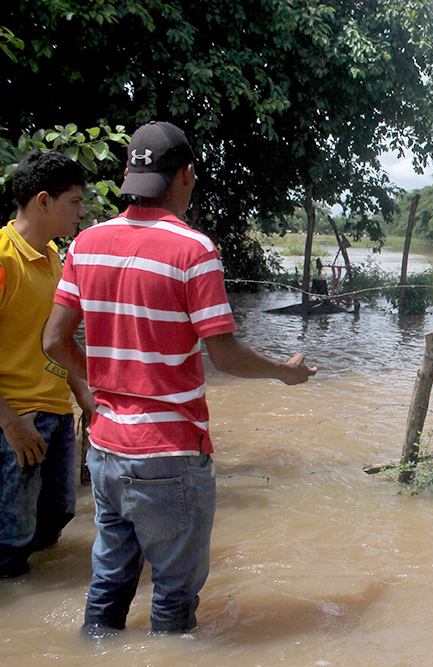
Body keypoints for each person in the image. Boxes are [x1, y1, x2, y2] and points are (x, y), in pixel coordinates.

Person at [43, 121, 317, 635]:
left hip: (105, 447)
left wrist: (105, 385)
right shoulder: (193, 250)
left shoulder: (84, 244)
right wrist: (285, 373)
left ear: (130, 176)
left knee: (109, 582)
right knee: (173, 594)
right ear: (186, 175)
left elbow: (54, 341)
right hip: (169, 451)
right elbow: (225, 355)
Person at [0, 150, 95, 578]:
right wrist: (9, 423)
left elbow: (55, 341)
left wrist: (85, 395)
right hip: (17, 420)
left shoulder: (55, 256)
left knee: (55, 521)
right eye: (74, 202)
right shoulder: (4, 259)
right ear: (43, 201)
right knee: (10, 543)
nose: (81, 212)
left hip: (56, 414)